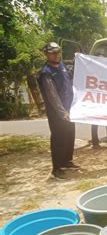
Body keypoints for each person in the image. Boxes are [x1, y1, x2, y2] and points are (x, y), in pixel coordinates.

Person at [38, 42, 78, 179]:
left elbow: (71, 81)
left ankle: (67, 161)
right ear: (47, 54)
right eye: (52, 53)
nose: (55, 55)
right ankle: (56, 168)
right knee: (58, 138)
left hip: (69, 109)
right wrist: (62, 112)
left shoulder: (63, 67)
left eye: (57, 52)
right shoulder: (46, 73)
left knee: (70, 135)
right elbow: (52, 95)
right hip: (57, 113)